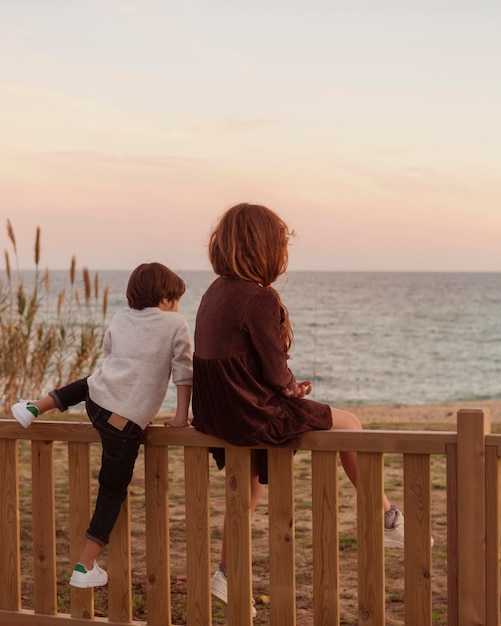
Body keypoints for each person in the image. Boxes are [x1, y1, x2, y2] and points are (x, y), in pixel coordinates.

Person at [191, 203, 405, 614]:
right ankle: (387, 518)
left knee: (247, 490)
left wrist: (284, 386)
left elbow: (231, 360)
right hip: (252, 412)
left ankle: (227, 573)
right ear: (266, 249)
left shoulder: (213, 292)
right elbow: (273, 368)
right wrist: (291, 387)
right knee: (350, 423)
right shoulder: (259, 297)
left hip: (220, 413)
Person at [11, 262, 193, 588]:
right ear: (165, 298)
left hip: (97, 402)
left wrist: (135, 405)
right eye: (176, 299)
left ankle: (35, 408)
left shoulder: (123, 317)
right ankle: (85, 565)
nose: (177, 306)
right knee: (110, 492)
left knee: (91, 381)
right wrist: (181, 417)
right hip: (122, 425)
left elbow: (112, 360)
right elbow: (183, 372)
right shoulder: (175, 323)